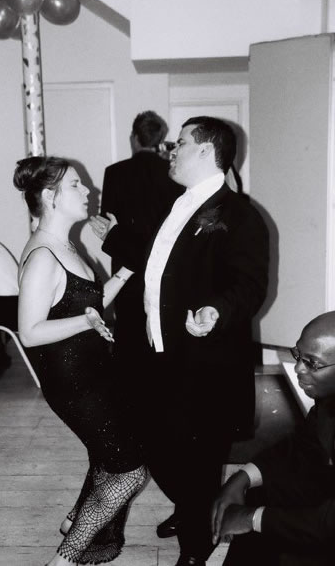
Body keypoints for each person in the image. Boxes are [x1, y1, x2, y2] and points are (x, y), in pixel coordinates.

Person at [139, 116, 269, 566]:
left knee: (195, 456)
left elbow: (249, 284)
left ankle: (196, 548)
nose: (171, 150)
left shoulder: (240, 214)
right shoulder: (174, 202)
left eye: (180, 143)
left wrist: (217, 309)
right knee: (156, 446)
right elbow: (161, 265)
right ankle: (195, 506)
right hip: (161, 350)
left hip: (204, 361)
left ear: (207, 151)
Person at [13, 156, 147, 566]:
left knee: (107, 455)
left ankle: (74, 521)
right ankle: (65, 559)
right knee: (129, 471)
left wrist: (126, 272)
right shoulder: (43, 256)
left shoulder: (65, 245)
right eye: (76, 185)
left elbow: (89, 303)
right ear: (49, 196)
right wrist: (85, 321)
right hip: (73, 382)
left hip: (91, 373)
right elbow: (30, 331)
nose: (88, 189)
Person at [212, 311, 335, 566]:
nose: (298, 368)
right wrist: (242, 478)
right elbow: (303, 444)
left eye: (312, 363)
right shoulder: (328, 400)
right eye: (298, 355)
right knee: (259, 493)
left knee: (264, 527)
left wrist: (253, 518)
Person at [91, 110, 183, 428]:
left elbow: (108, 222)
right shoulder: (172, 172)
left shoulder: (115, 172)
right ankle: (161, 400)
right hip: (164, 262)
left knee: (129, 327)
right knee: (161, 326)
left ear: (133, 137)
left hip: (127, 261)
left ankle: (129, 404)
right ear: (160, 139)